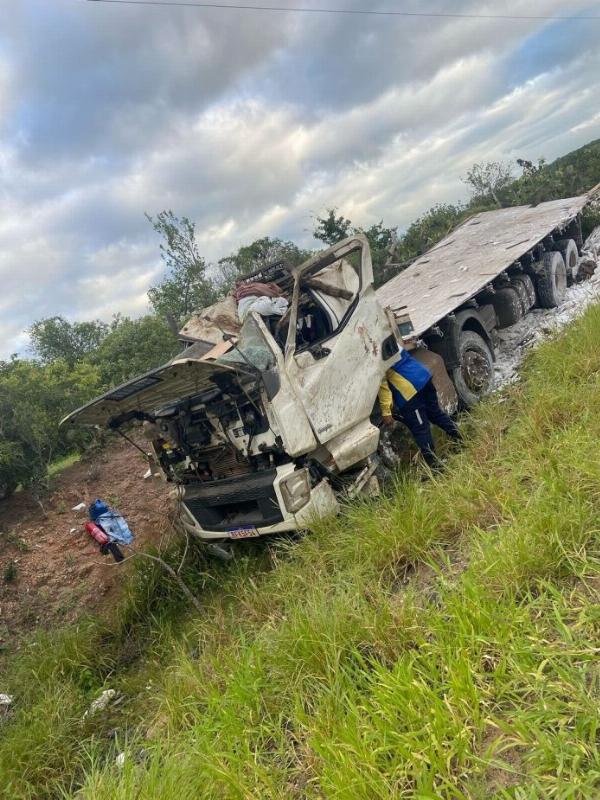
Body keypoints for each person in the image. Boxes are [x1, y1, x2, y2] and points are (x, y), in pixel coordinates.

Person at [378, 348, 461, 467]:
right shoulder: (389, 342)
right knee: (435, 414)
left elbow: (383, 385)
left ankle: (434, 466)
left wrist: (386, 411)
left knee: (421, 428)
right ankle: (461, 438)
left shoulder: (374, 357)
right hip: (423, 377)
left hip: (410, 391)